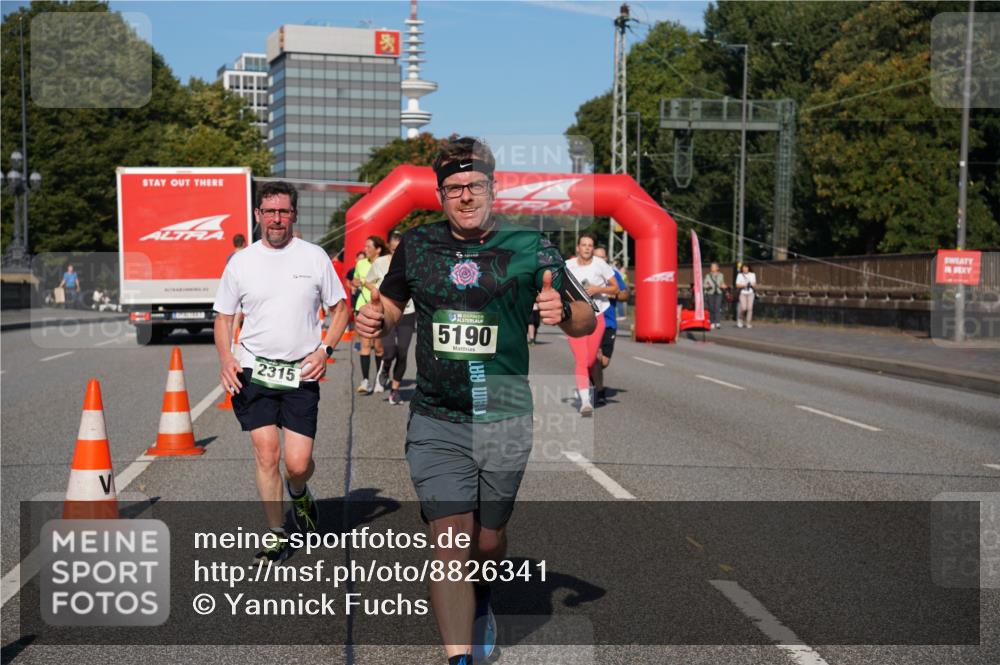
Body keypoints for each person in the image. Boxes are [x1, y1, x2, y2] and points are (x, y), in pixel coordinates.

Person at [355, 137, 595, 665]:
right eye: (454, 188)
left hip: (505, 406)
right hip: (438, 411)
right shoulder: (417, 246)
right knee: (450, 543)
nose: (465, 197)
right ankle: (459, 658)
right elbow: (393, 303)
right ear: (440, 194)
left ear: (494, 187)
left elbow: (587, 317)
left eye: (474, 186)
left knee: (487, 544)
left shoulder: (531, 247)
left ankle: (485, 590)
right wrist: (378, 318)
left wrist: (561, 309)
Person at [213, 181, 350, 563]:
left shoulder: (314, 257)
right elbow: (223, 317)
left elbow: (340, 308)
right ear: (257, 215)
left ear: (294, 215)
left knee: (297, 463)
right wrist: (227, 358)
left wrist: (325, 349)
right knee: (265, 454)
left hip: (300, 374)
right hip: (253, 371)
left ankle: (300, 491)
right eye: (269, 211)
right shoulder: (240, 262)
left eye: (284, 211)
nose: (277, 219)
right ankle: (276, 532)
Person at [565, 234, 619, 415]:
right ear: (578, 248)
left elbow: (616, 288)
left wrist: (598, 289)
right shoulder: (568, 265)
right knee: (581, 360)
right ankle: (585, 402)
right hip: (575, 318)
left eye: (590, 245)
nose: (587, 248)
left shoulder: (600, 264)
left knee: (589, 361)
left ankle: (594, 387)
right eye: (584, 245)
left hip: (598, 316)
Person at [366, 230, 415, 404]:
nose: (395, 253)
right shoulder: (380, 263)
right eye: (393, 249)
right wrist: (375, 291)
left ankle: (395, 390)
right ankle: (385, 367)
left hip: (408, 312)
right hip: (387, 310)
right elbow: (368, 280)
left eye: (399, 250)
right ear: (389, 248)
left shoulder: (412, 261)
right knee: (389, 352)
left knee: (402, 352)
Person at [592, 246, 628, 406]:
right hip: (591, 321)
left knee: (604, 361)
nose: (600, 260)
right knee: (595, 357)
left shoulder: (613, 274)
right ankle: (599, 391)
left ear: (606, 259)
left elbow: (625, 294)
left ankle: (593, 376)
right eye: (597, 257)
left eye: (603, 257)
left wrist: (612, 292)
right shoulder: (587, 272)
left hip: (609, 322)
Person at [354, 236, 387, 394]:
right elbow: (355, 279)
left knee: (379, 347)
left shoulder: (384, 263)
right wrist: (356, 283)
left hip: (380, 308)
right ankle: (365, 380)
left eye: (369, 246)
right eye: (365, 246)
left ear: (378, 249)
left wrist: (369, 283)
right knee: (365, 345)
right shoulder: (360, 263)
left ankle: (380, 379)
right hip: (362, 306)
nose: (365, 249)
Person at [704, 262, 726, 330]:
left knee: (717, 307)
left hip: (719, 292)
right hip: (710, 292)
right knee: (711, 308)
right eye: (711, 266)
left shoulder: (721, 275)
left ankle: (717, 322)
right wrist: (708, 286)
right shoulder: (708, 275)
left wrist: (723, 285)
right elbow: (704, 285)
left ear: (717, 268)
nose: (712, 268)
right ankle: (712, 322)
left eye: (713, 266)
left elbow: (722, 282)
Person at [735, 263, 757, 329]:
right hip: (742, 292)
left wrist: (752, 284)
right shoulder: (739, 275)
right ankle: (740, 320)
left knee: (750, 308)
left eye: (746, 267)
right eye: (743, 267)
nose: (745, 269)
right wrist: (744, 285)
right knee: (744, 308)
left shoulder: (752, 274)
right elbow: (737, 285)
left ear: (748, 268)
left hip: (750, 293)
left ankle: (748, 323)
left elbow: (754, 284)